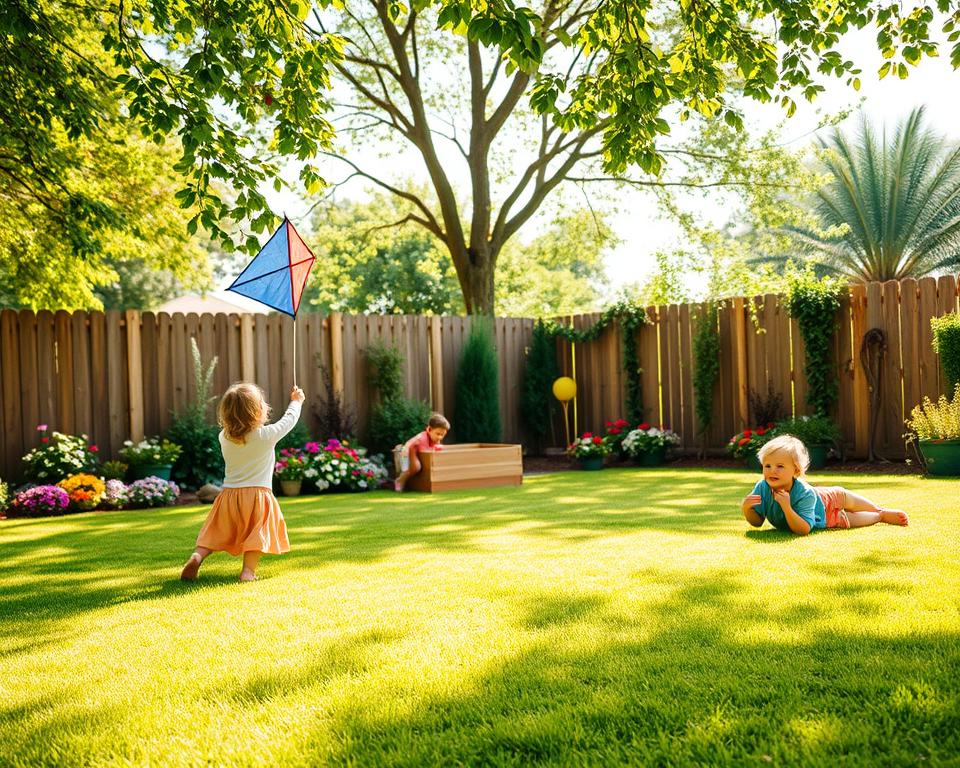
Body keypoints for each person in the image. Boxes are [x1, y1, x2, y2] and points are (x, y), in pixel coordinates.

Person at [180, 383, 305, 582]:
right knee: (256, 534)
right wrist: (296, 401)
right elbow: (289, 420)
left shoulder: (224, 437)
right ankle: (248, 572)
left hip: (229, 495)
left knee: (216, 531)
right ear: (257, 411)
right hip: (257, 496)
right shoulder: (265, 435)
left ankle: (198, 556)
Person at [741, 434, 909, 536]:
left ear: (796, 470)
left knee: (847, 499)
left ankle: (880, 510)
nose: (772, 471)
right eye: (767, 466)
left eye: (780, 466)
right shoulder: (762, 488)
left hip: (825, 497)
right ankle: (879, 517)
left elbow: (803, 529)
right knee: (848, 519)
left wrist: (786, 507)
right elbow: (757, 522)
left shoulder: (803, 492)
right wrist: (747, 509)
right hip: (825, 517)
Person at [394, 413, 450, 491]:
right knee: (415, 467)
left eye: (442, 435)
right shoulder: (422, 438)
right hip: (405, 455)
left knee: (419, 466)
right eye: (438, 434)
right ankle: (400, 480)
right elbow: (410, 445)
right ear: (429, 429)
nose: (439, 437)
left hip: (417, 455)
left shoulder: (435, 439)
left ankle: (410, 481)